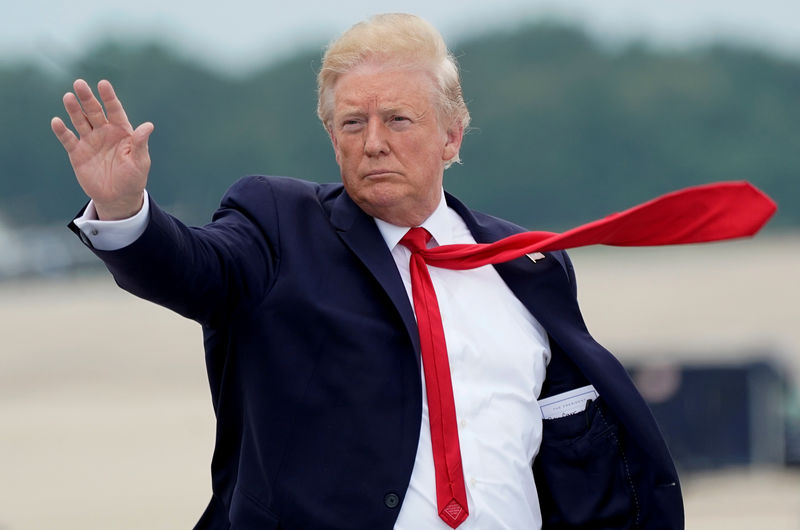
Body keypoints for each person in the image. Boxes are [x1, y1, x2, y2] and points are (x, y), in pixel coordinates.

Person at [51, 13, 683, 530]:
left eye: (398, 120)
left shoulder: (528, 262)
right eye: (353, 122)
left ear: (452, 137)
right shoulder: (279, 226)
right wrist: (124, 209)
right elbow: (189, 268)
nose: (373, 141)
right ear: (333, 138)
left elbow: (575, 443)